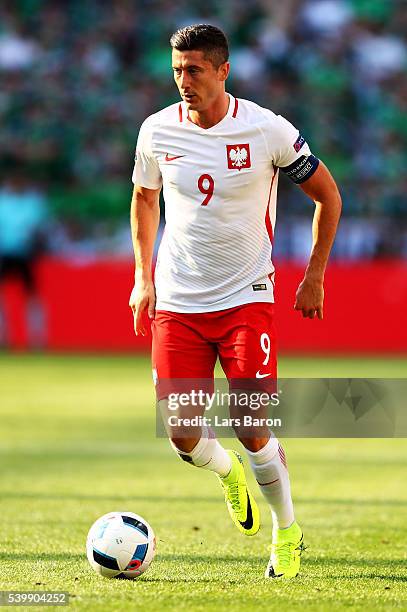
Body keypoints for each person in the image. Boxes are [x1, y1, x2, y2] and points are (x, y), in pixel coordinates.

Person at [129, 24, 341, 579]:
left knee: (251, 423)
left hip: (246, 295)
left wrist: (315, 273)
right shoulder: (156, 131)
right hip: (178, 299)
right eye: (177, 70)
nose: (183, 81)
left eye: (195, 70)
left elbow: (328, 195)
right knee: (181, 430)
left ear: (224, 70)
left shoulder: (267, 129)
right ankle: (228, 475)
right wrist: (142, 278)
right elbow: (144, 199)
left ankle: (286, 532)